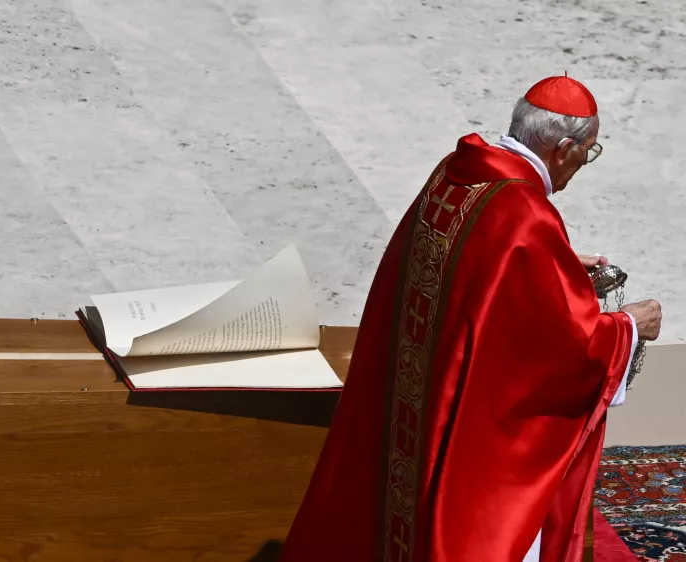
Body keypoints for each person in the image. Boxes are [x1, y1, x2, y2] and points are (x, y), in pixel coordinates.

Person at [277, 76, 663, 561]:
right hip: (472, 432)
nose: (584, 163)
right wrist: (628, 325)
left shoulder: (459, 172)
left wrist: (552, 264)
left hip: (420, 388)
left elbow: (474, 272)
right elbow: (571, 347)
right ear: (564, 148)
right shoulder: (526, 212)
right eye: (589, 151)